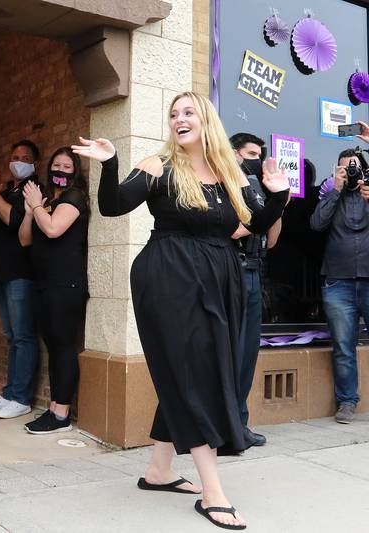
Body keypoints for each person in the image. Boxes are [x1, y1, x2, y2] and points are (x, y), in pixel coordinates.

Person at [74, 91, 288, 530]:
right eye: (173, 114)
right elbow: (113, 206)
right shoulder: (159, 166)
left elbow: (253, 225)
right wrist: (110, 162)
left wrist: (279, 198)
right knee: (194, 373)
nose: (179, 119)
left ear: (206, 120)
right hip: (168, 276)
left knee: (193, 369)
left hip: (219, 277)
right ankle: (213, 491)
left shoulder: (232, 172)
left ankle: (159, 471)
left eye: (188, 112)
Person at [17, 147, 88, 433]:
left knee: (63, 347)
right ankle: (54, 409)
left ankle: (61, 414)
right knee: (53, 346)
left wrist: (35, 207)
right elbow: (25, 240)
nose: (60, 170)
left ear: (75, 172)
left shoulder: (74, 198)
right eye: (56, 165)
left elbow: (54, 230)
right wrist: (29, 211)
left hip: (66, 284)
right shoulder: (45, 201)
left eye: (67, 167)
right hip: (45, 284)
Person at [0, 140, 41, 419]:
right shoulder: (6, 191)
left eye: (25, 157)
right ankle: (10, 393)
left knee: (24, 336)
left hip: (23, 274)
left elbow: (15, 221)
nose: (19, 160)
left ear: (35, 163)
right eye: (15, 156)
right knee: (11, 335)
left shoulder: (34, 190)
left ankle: (22, 397)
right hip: (1, 272)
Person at [310, 124, 369, 424]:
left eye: (356, 168)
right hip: (338, 282)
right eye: (346, 169)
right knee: (344, 347)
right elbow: (316, 225)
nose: (351, 174)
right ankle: (347, 402)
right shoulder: (331, 195)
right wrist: (334, 190)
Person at [229, 132, 280, 447]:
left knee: (247, 355)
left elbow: (272, 240)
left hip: (254, 273)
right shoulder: (226, 185)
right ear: (235, 154)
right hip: (231, 272)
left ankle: (239, 423)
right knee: (229, 354)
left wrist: (278, 201)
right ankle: (224, 427)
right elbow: (234, 230)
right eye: (251, 153)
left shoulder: (259, 188)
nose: (257, 160)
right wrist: (258, 219)